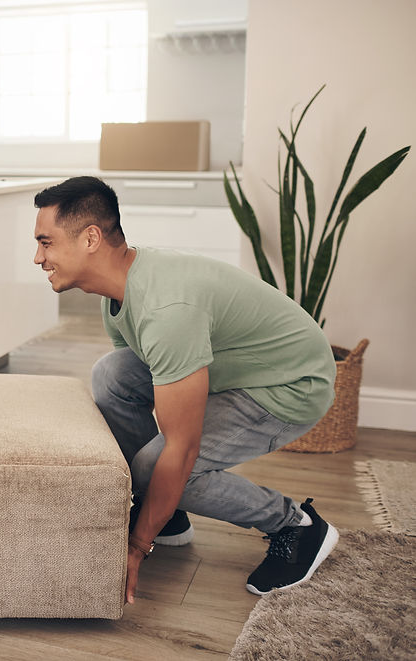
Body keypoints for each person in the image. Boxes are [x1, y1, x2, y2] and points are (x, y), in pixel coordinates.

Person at [32, 176, 339, 604]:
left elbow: (183, 446)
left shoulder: (165, 310)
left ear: (90, 238)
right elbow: (148, 392)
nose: (37, 257)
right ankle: (168, 514)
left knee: (160, 463)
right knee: (112, 374)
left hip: (289, 384)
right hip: (234, 368)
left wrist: (138, 546)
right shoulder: (117, 295)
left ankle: (295, 524)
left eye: (46, 243)